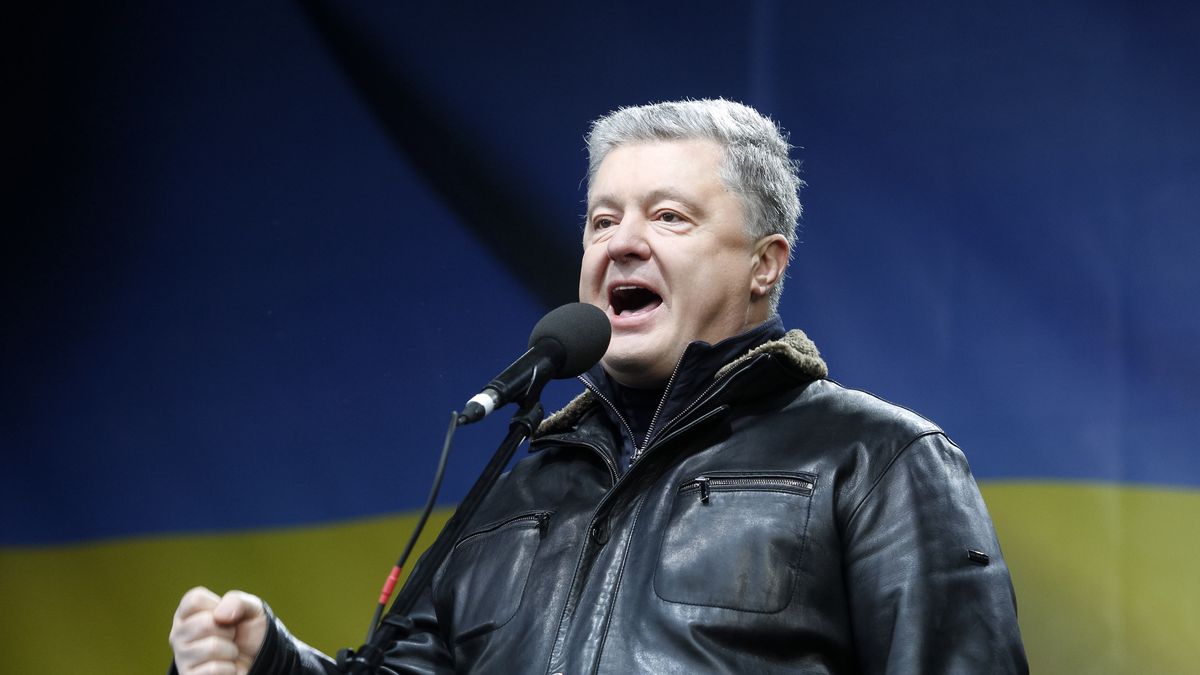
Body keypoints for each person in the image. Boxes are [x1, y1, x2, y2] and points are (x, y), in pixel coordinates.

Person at [169, 99, 1028, 674]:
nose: (621, 242)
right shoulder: (520, 485)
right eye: (602, 218)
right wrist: (269, 663)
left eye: (669, 216)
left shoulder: (876, 459)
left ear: (766, 264)